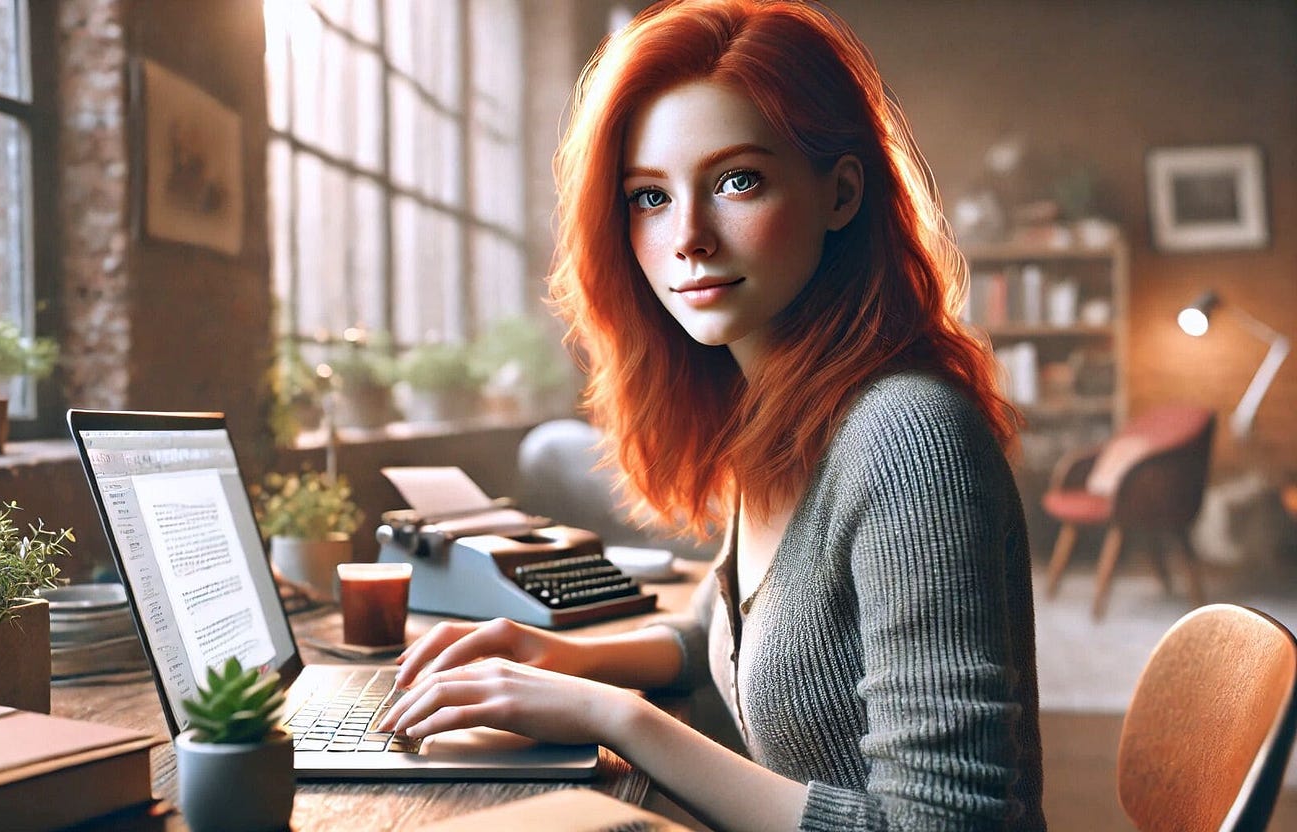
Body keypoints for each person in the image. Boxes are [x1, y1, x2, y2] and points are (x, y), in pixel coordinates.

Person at [379, 1, 1045, 829]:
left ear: (841, 193)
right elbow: (734, 635)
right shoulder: (780, 409)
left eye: (738, 181)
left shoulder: (906, 436)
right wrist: (559, 655)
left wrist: (615, 716)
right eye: (649, 196)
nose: (688, 237)